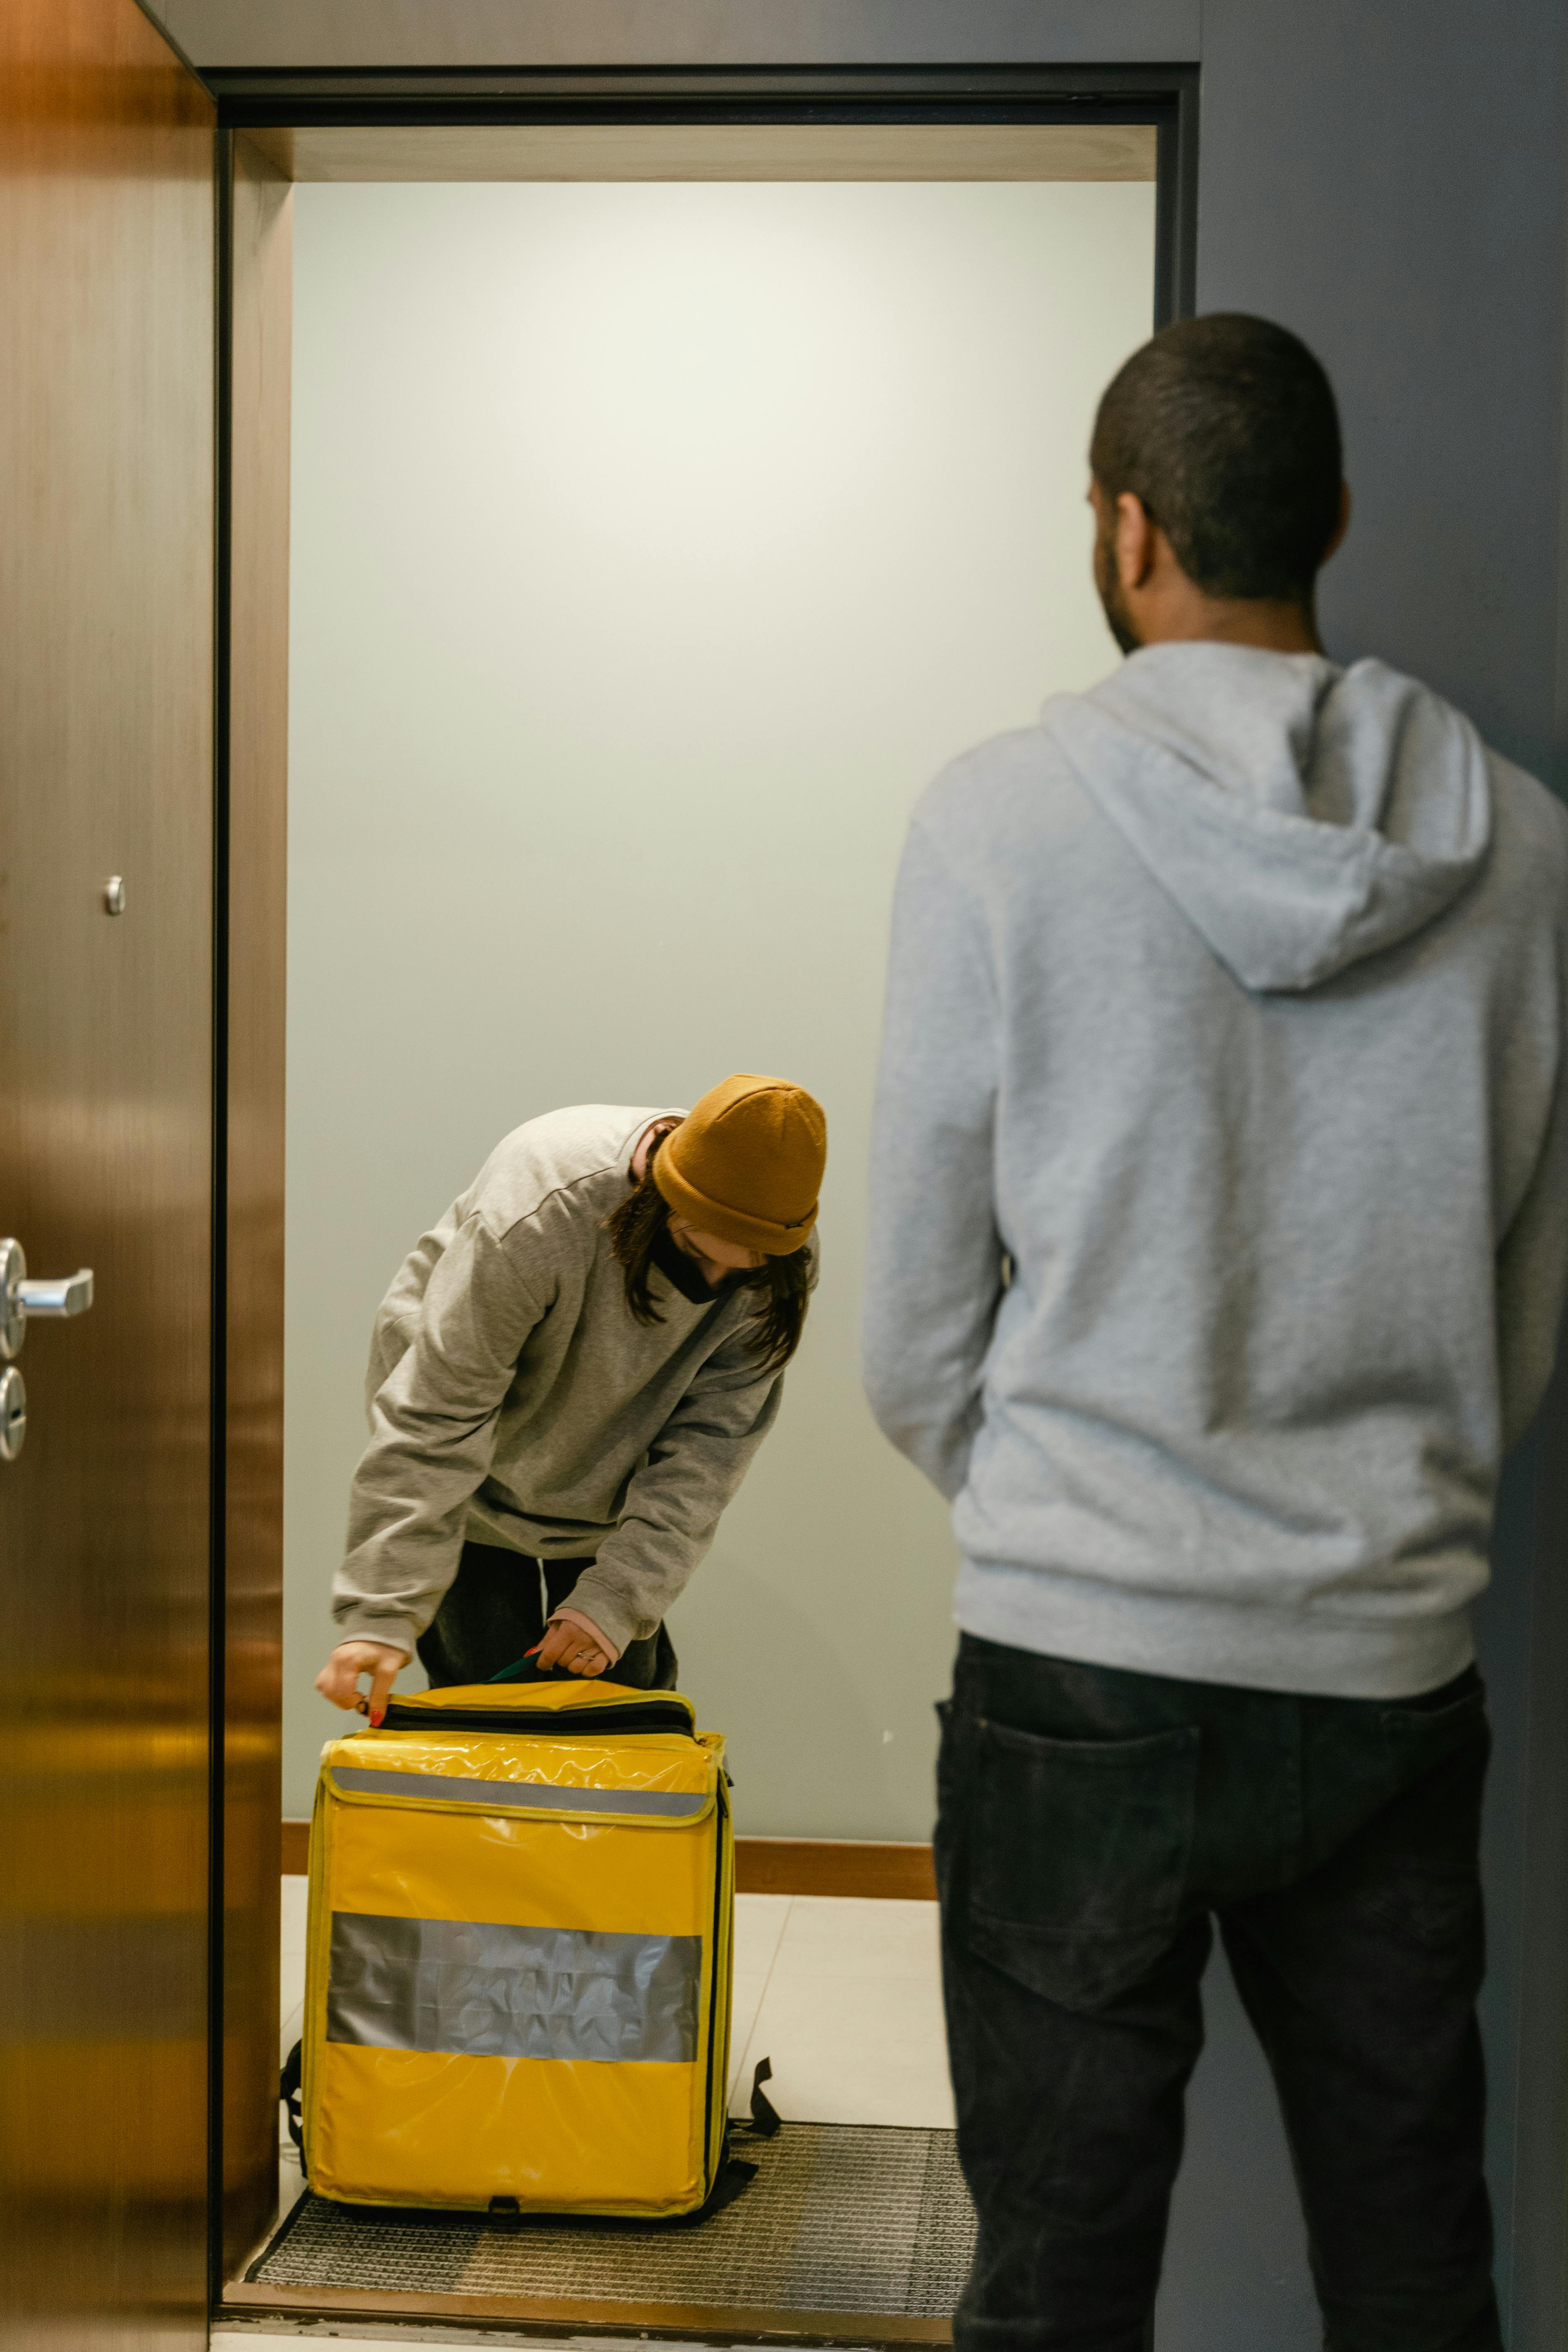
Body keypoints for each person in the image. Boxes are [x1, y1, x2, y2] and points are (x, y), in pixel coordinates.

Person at [863, 313, 1568, 2352]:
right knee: (1413, 2264)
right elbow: (1516, 1291)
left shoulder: (994, 822)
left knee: (1054, 2276)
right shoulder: (1524, 851)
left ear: (1122, 528)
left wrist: (1055, 1505)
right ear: (1328, 520)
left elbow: (910, 1309)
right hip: (1384, 1658)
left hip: (1079, 1661)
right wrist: (1391, 1501)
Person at [317, 1074, 825, 1724]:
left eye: (743, 1268)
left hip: (609, 1478)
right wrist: (380, 1612)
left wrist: (614, 1602)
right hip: (469, 1466)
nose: (715, 1283)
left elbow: (711, 1448)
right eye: (698, 1250)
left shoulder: (783, 1254)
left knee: (621, 1713)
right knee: (486, 1709)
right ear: (656, 1196)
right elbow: (439, 1413)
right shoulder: (540, 1208)